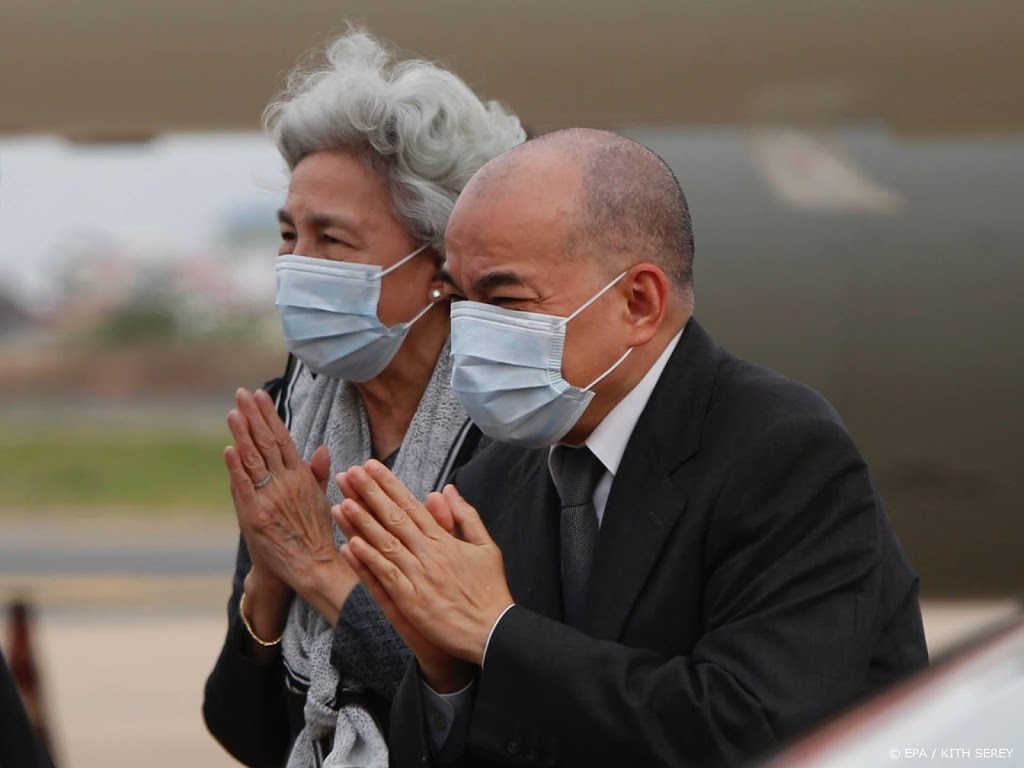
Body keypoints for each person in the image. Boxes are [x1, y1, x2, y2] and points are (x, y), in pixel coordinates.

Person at [332, 128, 930, 767]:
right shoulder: (495, 476)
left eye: (504, 299)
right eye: (460, 299)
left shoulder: (780, 451)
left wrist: (496, 633)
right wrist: (445, 671)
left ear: (639, 303)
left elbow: (756, 728)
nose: (471, 332)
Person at [201, 29, 525, 768]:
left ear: (441, 263)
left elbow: (491, 714)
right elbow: (243, 732)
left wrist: (320, 568)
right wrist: (268, 585)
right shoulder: (293, 417)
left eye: (332, 240)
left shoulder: (513, 436)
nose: (297, 265)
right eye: (289, 234)